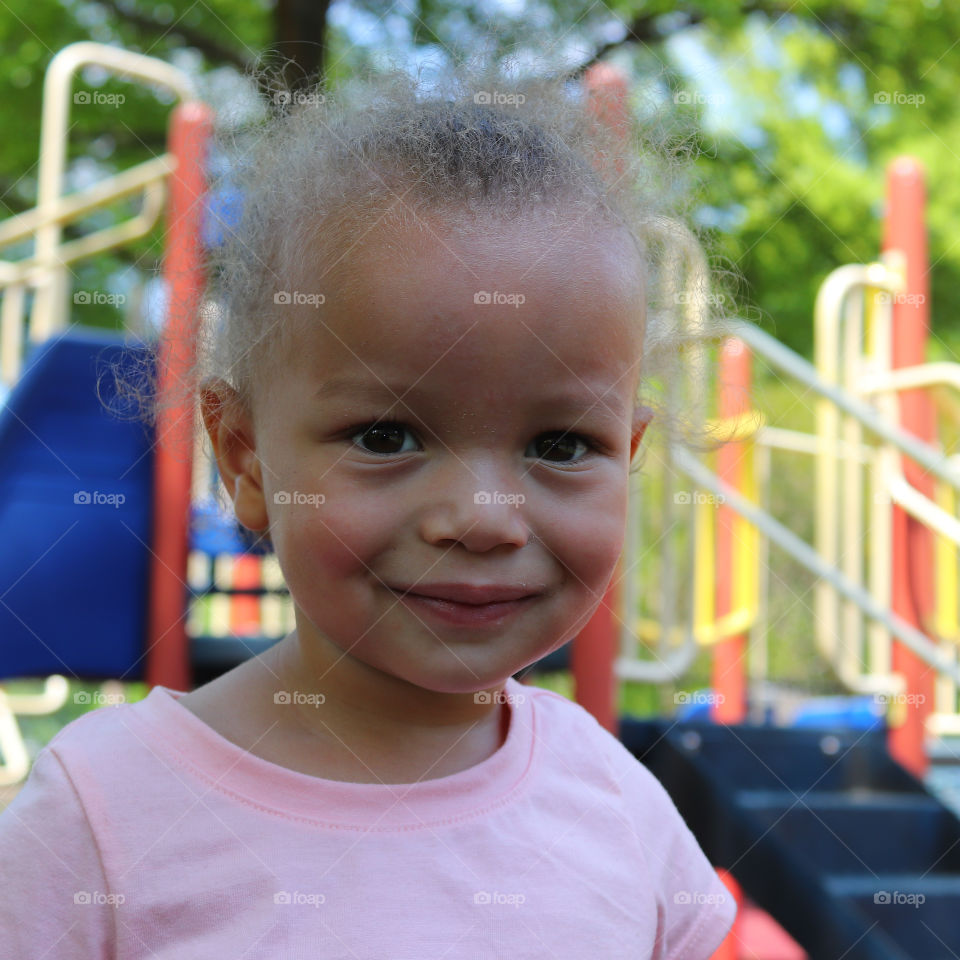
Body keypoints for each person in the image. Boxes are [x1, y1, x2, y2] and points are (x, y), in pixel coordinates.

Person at [0, 45, 736, 959]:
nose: (481, 518)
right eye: (387, 437)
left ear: (627, 458)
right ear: (245, 459)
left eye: (560, 446)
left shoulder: (622, 811)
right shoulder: (100, 822)